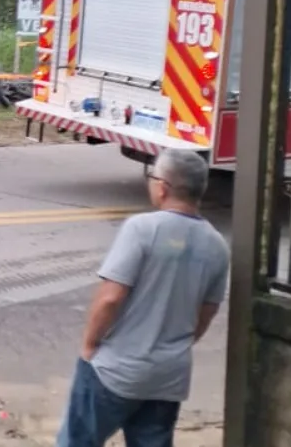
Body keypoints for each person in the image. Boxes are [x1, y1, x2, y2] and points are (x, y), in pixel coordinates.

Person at [55, 149, 229, 447]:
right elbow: (205, 314)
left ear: (162, 187)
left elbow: (110, 298)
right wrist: (173, 345)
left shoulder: (142, 229)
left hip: (116, 370)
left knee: (78, 441)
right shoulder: (217, 245)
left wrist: (89, 345)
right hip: (168, 377)